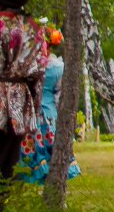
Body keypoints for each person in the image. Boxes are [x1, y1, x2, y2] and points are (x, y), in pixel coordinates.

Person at [0, 0, 59, 207]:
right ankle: (0, 205)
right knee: (9, 158)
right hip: (21, 99)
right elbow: (40, 71)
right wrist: (34, 106)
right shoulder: (35, 28)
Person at [17, 51, 80, 185]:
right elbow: (59, 96)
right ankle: (52, 178)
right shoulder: (58, 68)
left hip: (29, 111)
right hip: (49, 112)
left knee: (31, 146)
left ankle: (31, 174)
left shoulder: (25, 65)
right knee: (50, 145)